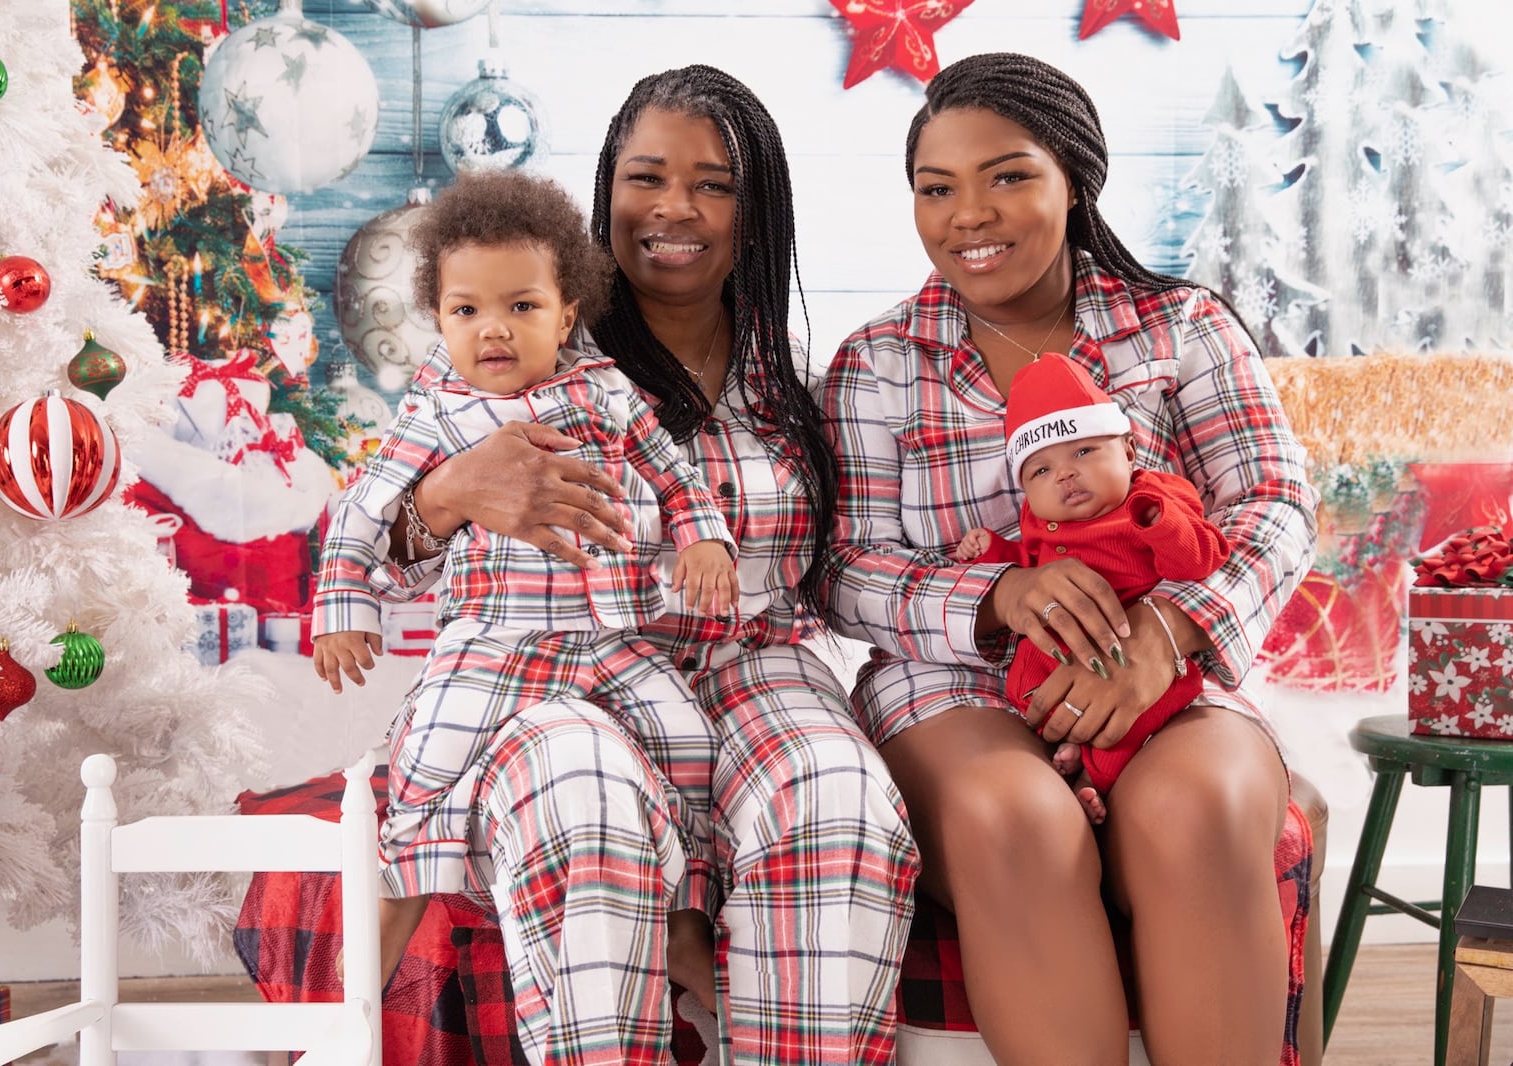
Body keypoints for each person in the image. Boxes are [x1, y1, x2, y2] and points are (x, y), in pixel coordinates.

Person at [379, 66, 919, 1065]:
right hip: (571, 667)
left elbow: (843, 567)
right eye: (647, 177)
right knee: (576, 786)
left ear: (752, 215)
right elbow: (379, 553)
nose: (675, 208)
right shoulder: (524, 354)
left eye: (713, 184)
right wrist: (450, 494)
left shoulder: (793, 382)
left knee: (834, 789)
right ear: (606, 195)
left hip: (758, 667)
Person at [822, 52, 1317, 1065]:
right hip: (952, 688)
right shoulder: (876, 362)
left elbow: (1276, 506)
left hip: (1171, 677)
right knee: (1017, 819)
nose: (969, 214)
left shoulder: (1179, 327)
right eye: (935, 188)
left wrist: (1169, 631)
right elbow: (842, 567)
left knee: (1202, 804)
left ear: (1074, 179)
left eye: (1007, 175)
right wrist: (997, 593)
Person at [310, 170, 741, 1003]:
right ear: (437, 318)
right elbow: (362, 513)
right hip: (493, 641)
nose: (493, 330)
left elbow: (679, 480)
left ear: (567, 313)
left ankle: (686, 930)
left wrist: (705, 542)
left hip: (611, 640)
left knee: (691, 742)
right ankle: (363, 965)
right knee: (424, 762)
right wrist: (342, 610)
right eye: (467, 310)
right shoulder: (437, 413)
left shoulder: (608, 392)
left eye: (522, 307)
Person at [952, 351, 1232, 823]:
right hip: (1059, 650)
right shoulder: (1041, 524)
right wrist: (994, 553)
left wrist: (1158, 523)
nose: (1064, 473)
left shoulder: (1153, 498)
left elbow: (1201, 558)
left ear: (1128, 451)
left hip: (1133, 647)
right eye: (1041, 470)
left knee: (1130, 722)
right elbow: (1027, 568)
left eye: (1083, 452)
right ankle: (1065, 749)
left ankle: (1095, 779)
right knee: (1027, 688)